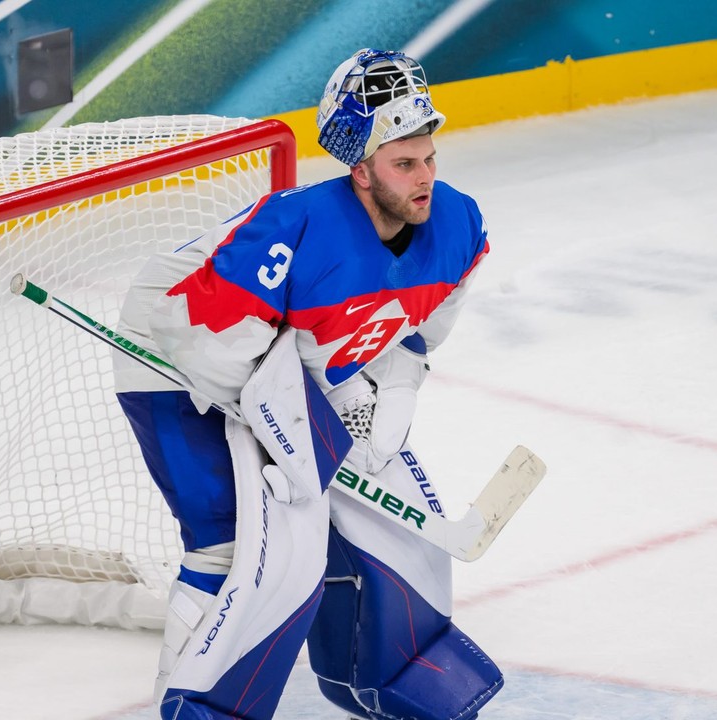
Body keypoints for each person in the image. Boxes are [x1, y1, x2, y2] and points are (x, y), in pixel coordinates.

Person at [113, 48, 502, 720]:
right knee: (233, 541)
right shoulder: (296, 229)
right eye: (404, 164)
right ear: (361, 171)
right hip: (171, 351)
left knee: (370, 512)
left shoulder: (458, 224)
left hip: (277, 357)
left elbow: (411, 332)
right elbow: (197, 335)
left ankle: (384, 668)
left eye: (429, 158)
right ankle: (194, 705)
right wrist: (293, 436)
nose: (425, 179)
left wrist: (390, 388)